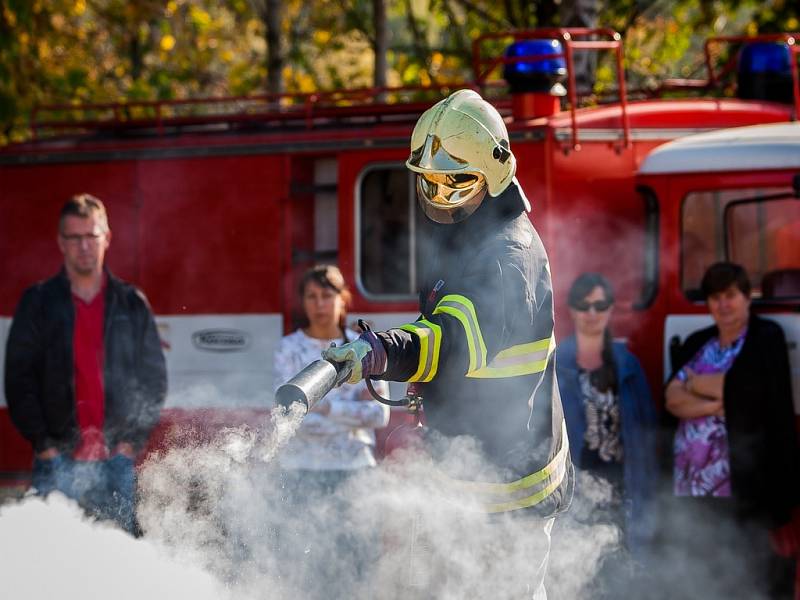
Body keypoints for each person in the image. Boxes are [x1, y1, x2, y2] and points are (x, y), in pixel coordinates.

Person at [321, 88, 573, 599]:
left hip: (509, 492)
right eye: (430, 182)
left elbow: (454, 340)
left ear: (495, 174)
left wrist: (383, 351)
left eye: (454, 182)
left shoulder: (509, 257)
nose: (438, 195)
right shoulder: (470, 241)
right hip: (471, 477)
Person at [4, 193, 167, 534]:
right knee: (52, 570)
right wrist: (45, 446)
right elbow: (19, 381)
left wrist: (129, 445)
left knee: (121, 569)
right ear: (61, 242)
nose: (83, 246)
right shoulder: (38, 302)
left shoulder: (130, 303)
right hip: (57, 464)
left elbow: (153, 380)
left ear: (106, 237)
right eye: (74, 237)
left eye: (91, 236)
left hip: (116, 464)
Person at [661, 262, 799, 599]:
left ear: (746, 298)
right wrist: (715, 403)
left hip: (744, 483)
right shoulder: (698, 341)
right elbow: (671, 399)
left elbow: (750, 395)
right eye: (715, 297)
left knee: (750, 571)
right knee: (705, 568)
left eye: (731, 296)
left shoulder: (766, 337)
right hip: (693, 480)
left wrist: (696, 383)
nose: (723, 305)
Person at [555, 273, 658, 577]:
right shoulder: (556, 363)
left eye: (600, 305)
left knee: (622, 580)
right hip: (574, 494)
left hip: (621, 491)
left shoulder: (628, 365)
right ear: (571, 310)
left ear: (611, 310)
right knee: (576, 580)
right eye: (583, 305)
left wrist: (649, 499)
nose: (591, 313)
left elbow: (646, 435)